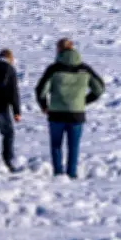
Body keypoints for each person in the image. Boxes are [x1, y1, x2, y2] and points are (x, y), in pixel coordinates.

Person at [35, 38, 105, 179]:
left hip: (56, 113)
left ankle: (58, 174)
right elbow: (99, 88)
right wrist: (84, 101)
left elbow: (40, 90)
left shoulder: (54, 69)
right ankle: (72, 174)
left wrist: (44, 105)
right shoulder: (84, 69)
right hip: (77, 113)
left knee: (56, 145)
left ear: (59, 50)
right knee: (73, 147)